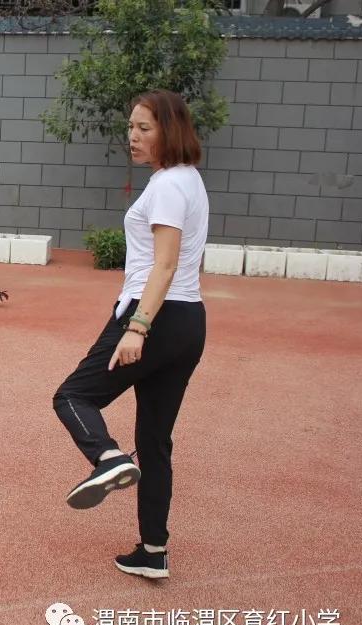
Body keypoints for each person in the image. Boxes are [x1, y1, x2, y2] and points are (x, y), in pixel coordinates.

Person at [52, 90, 209, 580]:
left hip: (154, 315)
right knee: (155, 441)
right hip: (188, 321)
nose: (133, 137)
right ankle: (153, 551)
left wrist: (138, 326)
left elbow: (165, 264)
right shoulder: (189, 179)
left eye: (144, 128)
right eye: (131, 127)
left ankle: (107, 458)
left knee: (73, 396)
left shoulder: (168, 184)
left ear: (170, 130)